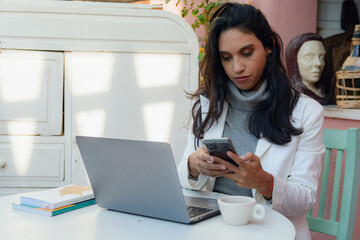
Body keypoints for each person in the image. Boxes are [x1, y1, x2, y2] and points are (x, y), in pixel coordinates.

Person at [177, 2, 325, 239]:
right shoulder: (208, 103)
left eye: (247, 53)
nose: (237, 68)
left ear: (269, 47)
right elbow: (182, 178)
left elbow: (305, 199)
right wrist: (193, 166)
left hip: (271, 231)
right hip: (211, 230)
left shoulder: (307, 112)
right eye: (226, 58)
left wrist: (265, 183)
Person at [285, 33, 330, 105]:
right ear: (294, 62)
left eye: (321, 57)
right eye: (309, 58)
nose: (318, 63)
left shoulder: (324, 91)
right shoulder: (296, 95)